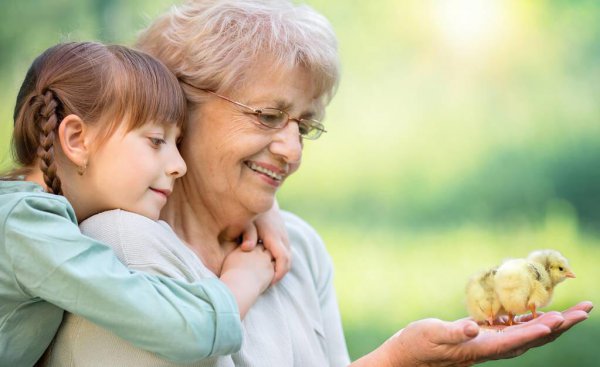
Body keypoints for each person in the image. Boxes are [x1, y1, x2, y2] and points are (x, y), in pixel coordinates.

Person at [43, 0, 593, 366]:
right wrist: (395, 360)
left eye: (305, 125)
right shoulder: (118, 248)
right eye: (266, 116)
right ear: (177, 106)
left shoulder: (296, 248)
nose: (292, 150)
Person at [0, 41, 292, 367]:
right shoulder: (26, 228)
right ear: (76, 140)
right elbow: (181, 331)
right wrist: (244, 278)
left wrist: (263, 208)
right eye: (156, 141)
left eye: (177, 143)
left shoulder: (23, 218)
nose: (178, 166)